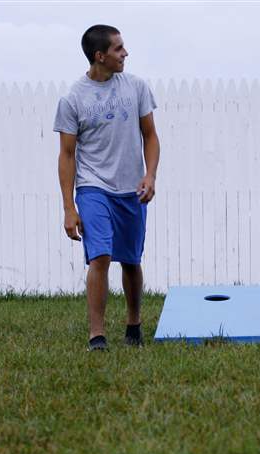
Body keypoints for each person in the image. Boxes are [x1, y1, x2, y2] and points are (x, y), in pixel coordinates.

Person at [54, 25, 160, 351]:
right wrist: (69, 207)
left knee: (130, 259)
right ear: (100, 56)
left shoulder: (137, 87)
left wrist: (150, 175)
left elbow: (150, 136)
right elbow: (67, 155)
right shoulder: (73, 99)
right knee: (99, 256)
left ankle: (133, 325)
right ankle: (97, 336)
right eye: (118, 49)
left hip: (131, 189)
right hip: (93, 187)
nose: (125, 53)